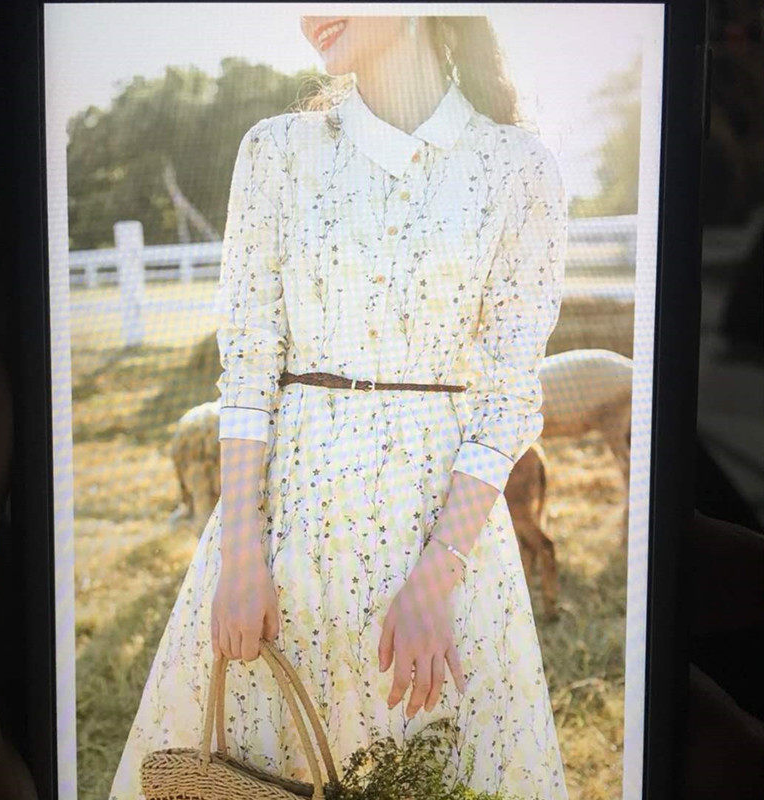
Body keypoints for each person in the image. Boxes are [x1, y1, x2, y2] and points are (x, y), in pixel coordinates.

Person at [109, 15, 569, 798]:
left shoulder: (519, 167)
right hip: (285, 526)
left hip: (442, 529)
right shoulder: (275, 152)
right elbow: (248, 365)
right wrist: (241, 556)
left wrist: (437, 579)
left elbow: (509, 398)